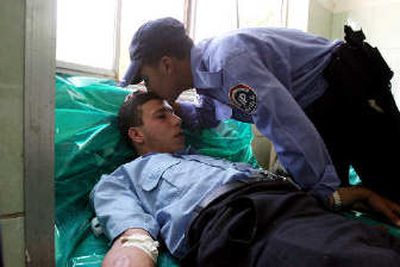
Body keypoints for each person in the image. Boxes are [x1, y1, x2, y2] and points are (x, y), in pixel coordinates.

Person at [90, 91, 400, 267]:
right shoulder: (122, 178)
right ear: (136, 134)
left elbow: (315, 196)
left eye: (173, 111)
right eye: (162, 115)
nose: (177, 118)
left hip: (303, 210)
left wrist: (360, 194)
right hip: (247, 226)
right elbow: (134, 240)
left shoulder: (205, 158)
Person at [119, 17, 400, 202]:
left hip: (348, 90)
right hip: (319, 108)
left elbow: (284, 124)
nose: (149, 88)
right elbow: (206, 115)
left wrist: (324, 191)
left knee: (389, 188)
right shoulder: (204, 75)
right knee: (335, 198)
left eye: (146, 78)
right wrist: (176, 109)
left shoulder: (226, 62)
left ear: (167, 65)